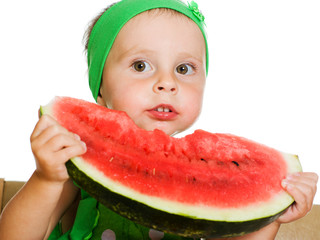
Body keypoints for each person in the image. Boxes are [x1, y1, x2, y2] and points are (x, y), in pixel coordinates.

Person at [0, 0, 317, 239]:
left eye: (184, 69)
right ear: (100, 91)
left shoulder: (206, 179)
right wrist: (46, 179)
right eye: (140, 66)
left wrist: (270, 214)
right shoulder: (76, 161)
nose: (168, 83)